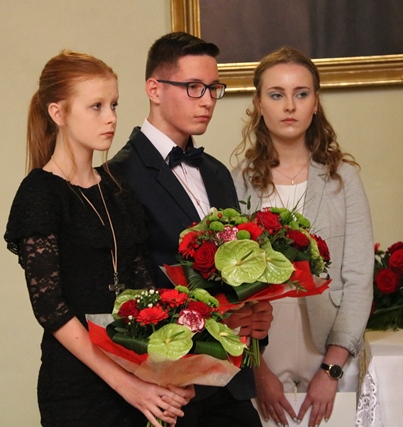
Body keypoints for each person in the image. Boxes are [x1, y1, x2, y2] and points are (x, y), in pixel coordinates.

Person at [3, 50, 194, 427]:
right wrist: (129, 385)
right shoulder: (40, 193)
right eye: (96, 106)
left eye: (114, 104)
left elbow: (145, 293)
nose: (111, 118)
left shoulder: (118, 190)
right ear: (58, 113)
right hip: (78, 389)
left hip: (137, 376)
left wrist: (173, 374)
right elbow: (51, 308)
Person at [109, 32, 273, 427]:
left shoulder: (216, 172)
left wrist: (256, 316)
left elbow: (235, 270)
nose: (207, 100)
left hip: (230, 383)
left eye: (214, 88)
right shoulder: (118, 176)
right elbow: (130, 290)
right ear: (154, 89)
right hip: (170, 387)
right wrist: (216, 323)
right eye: (194, 87)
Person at [231, 47, 374, 427]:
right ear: (259, 104)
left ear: (315, 102)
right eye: (276, 94)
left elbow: (359, 278)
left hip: (329, 347)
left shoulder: (344, 179)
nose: (289, 106)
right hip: (264, 350)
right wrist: (257, 371)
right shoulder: (237, 181)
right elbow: (230, 286)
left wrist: (332, 369)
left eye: (301, 93)